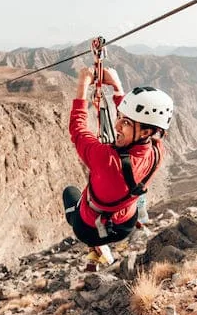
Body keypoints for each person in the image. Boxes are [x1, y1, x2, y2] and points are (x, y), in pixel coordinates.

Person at [64, 66, 173, 270]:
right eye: (119, 118)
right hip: (125, 226)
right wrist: (117, 88)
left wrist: (83, 85)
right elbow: (137, 122)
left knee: (70, 193)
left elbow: (78, 130)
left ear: (145, 131)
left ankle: (96, 246)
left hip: (89, 230)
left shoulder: (106, 159)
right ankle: (138, 216)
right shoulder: (158, 151)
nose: (116, 126)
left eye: (124, 123)